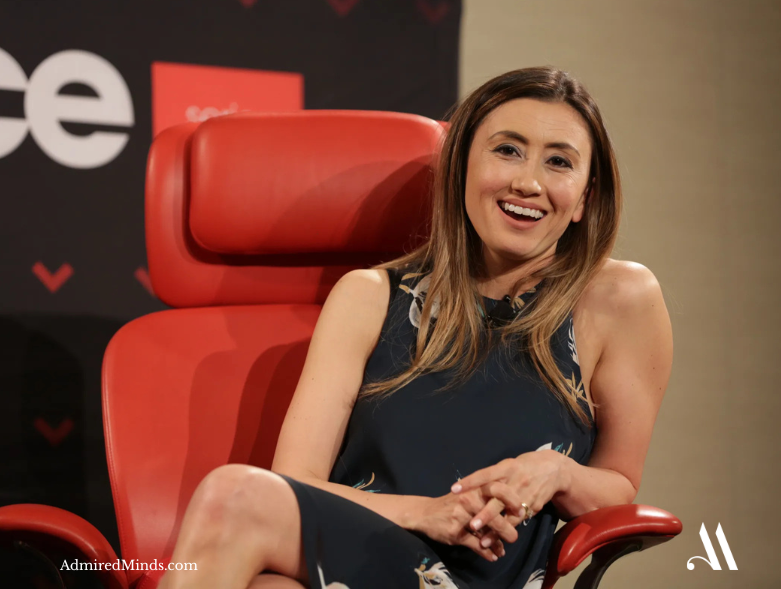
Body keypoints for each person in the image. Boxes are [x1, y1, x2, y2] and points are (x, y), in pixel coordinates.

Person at [157, 66, 673, 589]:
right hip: (362, 554)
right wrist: (424, 513)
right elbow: (296, 483)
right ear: (462, 168)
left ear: (585, 197)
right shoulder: (368, 296)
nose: (528, 181)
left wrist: (558, 474)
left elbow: (617, 485)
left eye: (559, 161)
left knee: (236, 497)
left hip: (479, 576)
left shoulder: (619, 300)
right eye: (507, 150)